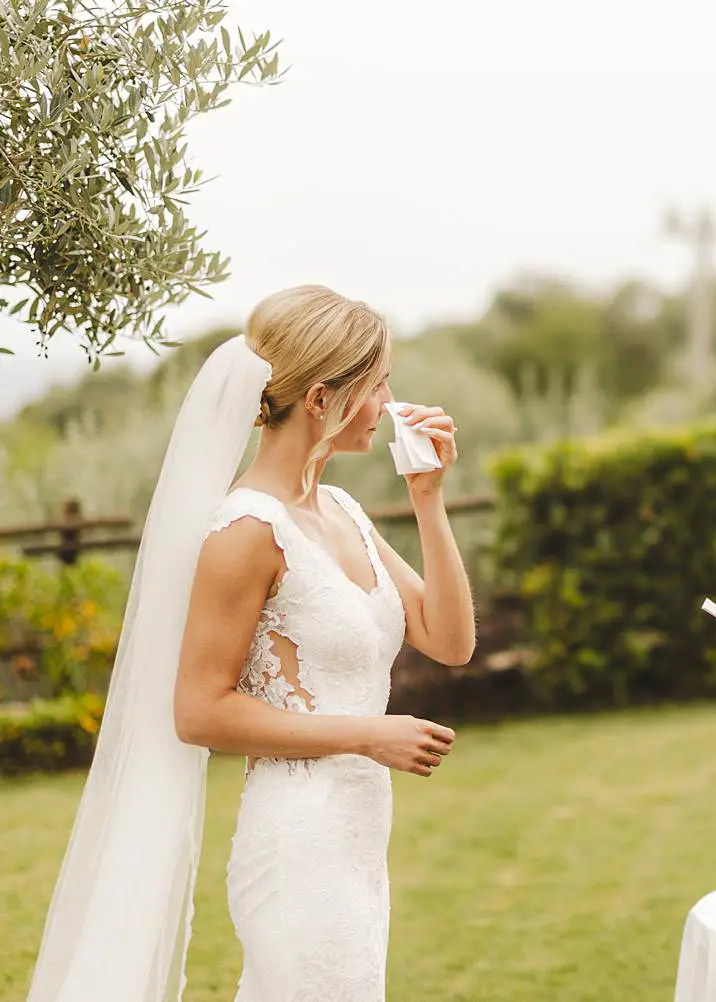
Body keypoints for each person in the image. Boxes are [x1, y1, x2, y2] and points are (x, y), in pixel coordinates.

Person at [28, 285, 476, 1001]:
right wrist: (368, 734)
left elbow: (450, 641)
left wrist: (429, 498)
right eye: (378, 384)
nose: (392, 402)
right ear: (323, 399)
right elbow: (198, 711)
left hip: (356, 844)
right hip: (298, 846)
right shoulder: (246, 530)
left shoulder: (341, 509)